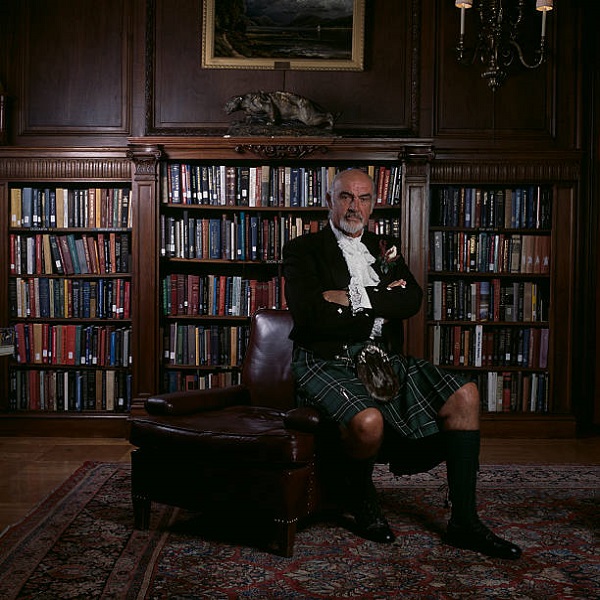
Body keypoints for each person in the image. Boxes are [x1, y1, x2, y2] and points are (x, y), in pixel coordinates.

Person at [282, 168, 522, 560]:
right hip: (325, 360)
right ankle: (362, 501)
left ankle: (464, 521)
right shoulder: (302, 250)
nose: (354, 206)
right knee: (368, 421)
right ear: (329, 201)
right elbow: (313, 317)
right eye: (345, 197)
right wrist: (381, 298)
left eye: (363, 198)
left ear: (373, 204)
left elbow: (411, 301)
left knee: (465, 395)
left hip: (381, 357)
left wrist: (353, 298)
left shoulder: (385, 246)